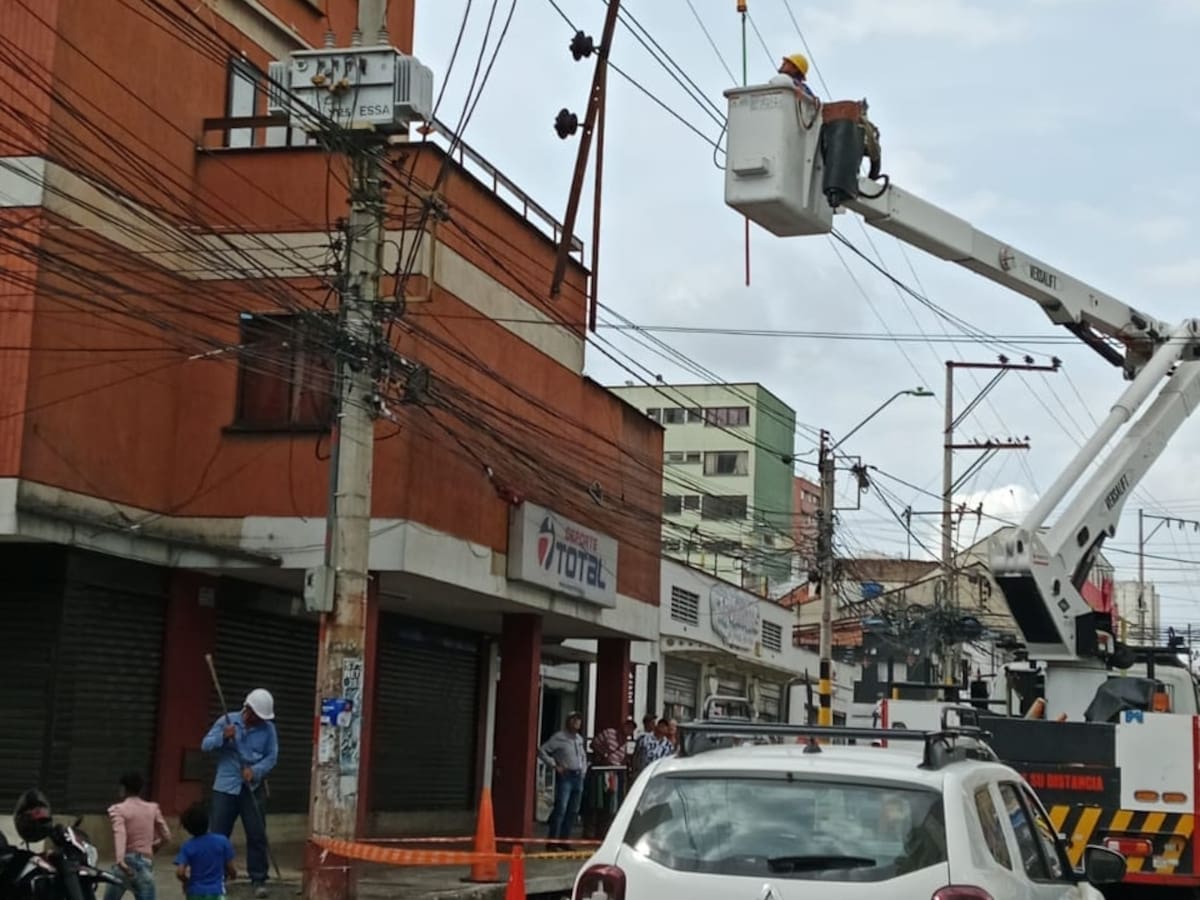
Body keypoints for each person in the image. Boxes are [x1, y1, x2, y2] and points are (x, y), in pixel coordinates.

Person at [201, 688, 278, 898]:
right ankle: (216, 877)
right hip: (225, 787)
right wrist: (224, 737)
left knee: (256, 833)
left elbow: (272, 757)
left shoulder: (268, 729)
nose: (260, 720)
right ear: (248, 709)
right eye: (257, 716)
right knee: (218, 834)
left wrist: (255, 771)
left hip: (252, 787)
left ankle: (259, 878)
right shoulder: (227, 721)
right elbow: (206, 745)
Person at [103, 773, 170, 900]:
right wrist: (155, 845)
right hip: (144, 863)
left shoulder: (118, 809)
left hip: (125, 863)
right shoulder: (152, 808)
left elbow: (120, 834)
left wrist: (120, 860)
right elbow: (166, 835)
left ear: (123, 788)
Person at [537, 711, 587, 851]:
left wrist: (583, 770)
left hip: (578, 776)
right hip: (566, 776)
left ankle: (564, 840)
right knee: (561, 808)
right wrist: (554, 765)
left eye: (578, 720)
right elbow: (542, 750)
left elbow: (582, 756)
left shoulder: (579, 739)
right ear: (568, 721)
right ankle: (552, 841)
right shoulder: (559, 737)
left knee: (573, 810)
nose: (577, 722)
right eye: (574, 720)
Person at [174, 802, 236, 900]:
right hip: (217, 892)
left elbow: (180, 872)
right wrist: (233, 876)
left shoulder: (187, 846)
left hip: (194, 892)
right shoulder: (222, 841)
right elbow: (231, 868)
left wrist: (186, 881)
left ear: (188, 829)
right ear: (208, 821)